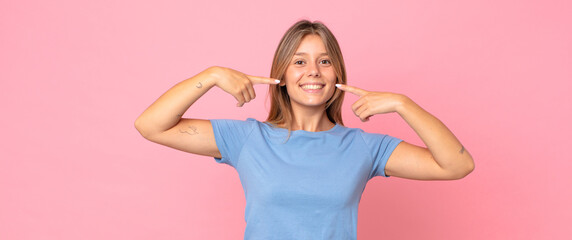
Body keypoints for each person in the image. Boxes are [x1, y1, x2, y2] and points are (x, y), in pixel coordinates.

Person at [135, 20, 474, 240]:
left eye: (324, 61)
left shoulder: (365, 148)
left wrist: (404, 104)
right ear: (281, 75)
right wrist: (210, 76)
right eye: (299, 61)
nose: (313, 71)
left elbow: (457, 165)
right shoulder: (248, 139)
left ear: (337, 74)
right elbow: (151, 125)